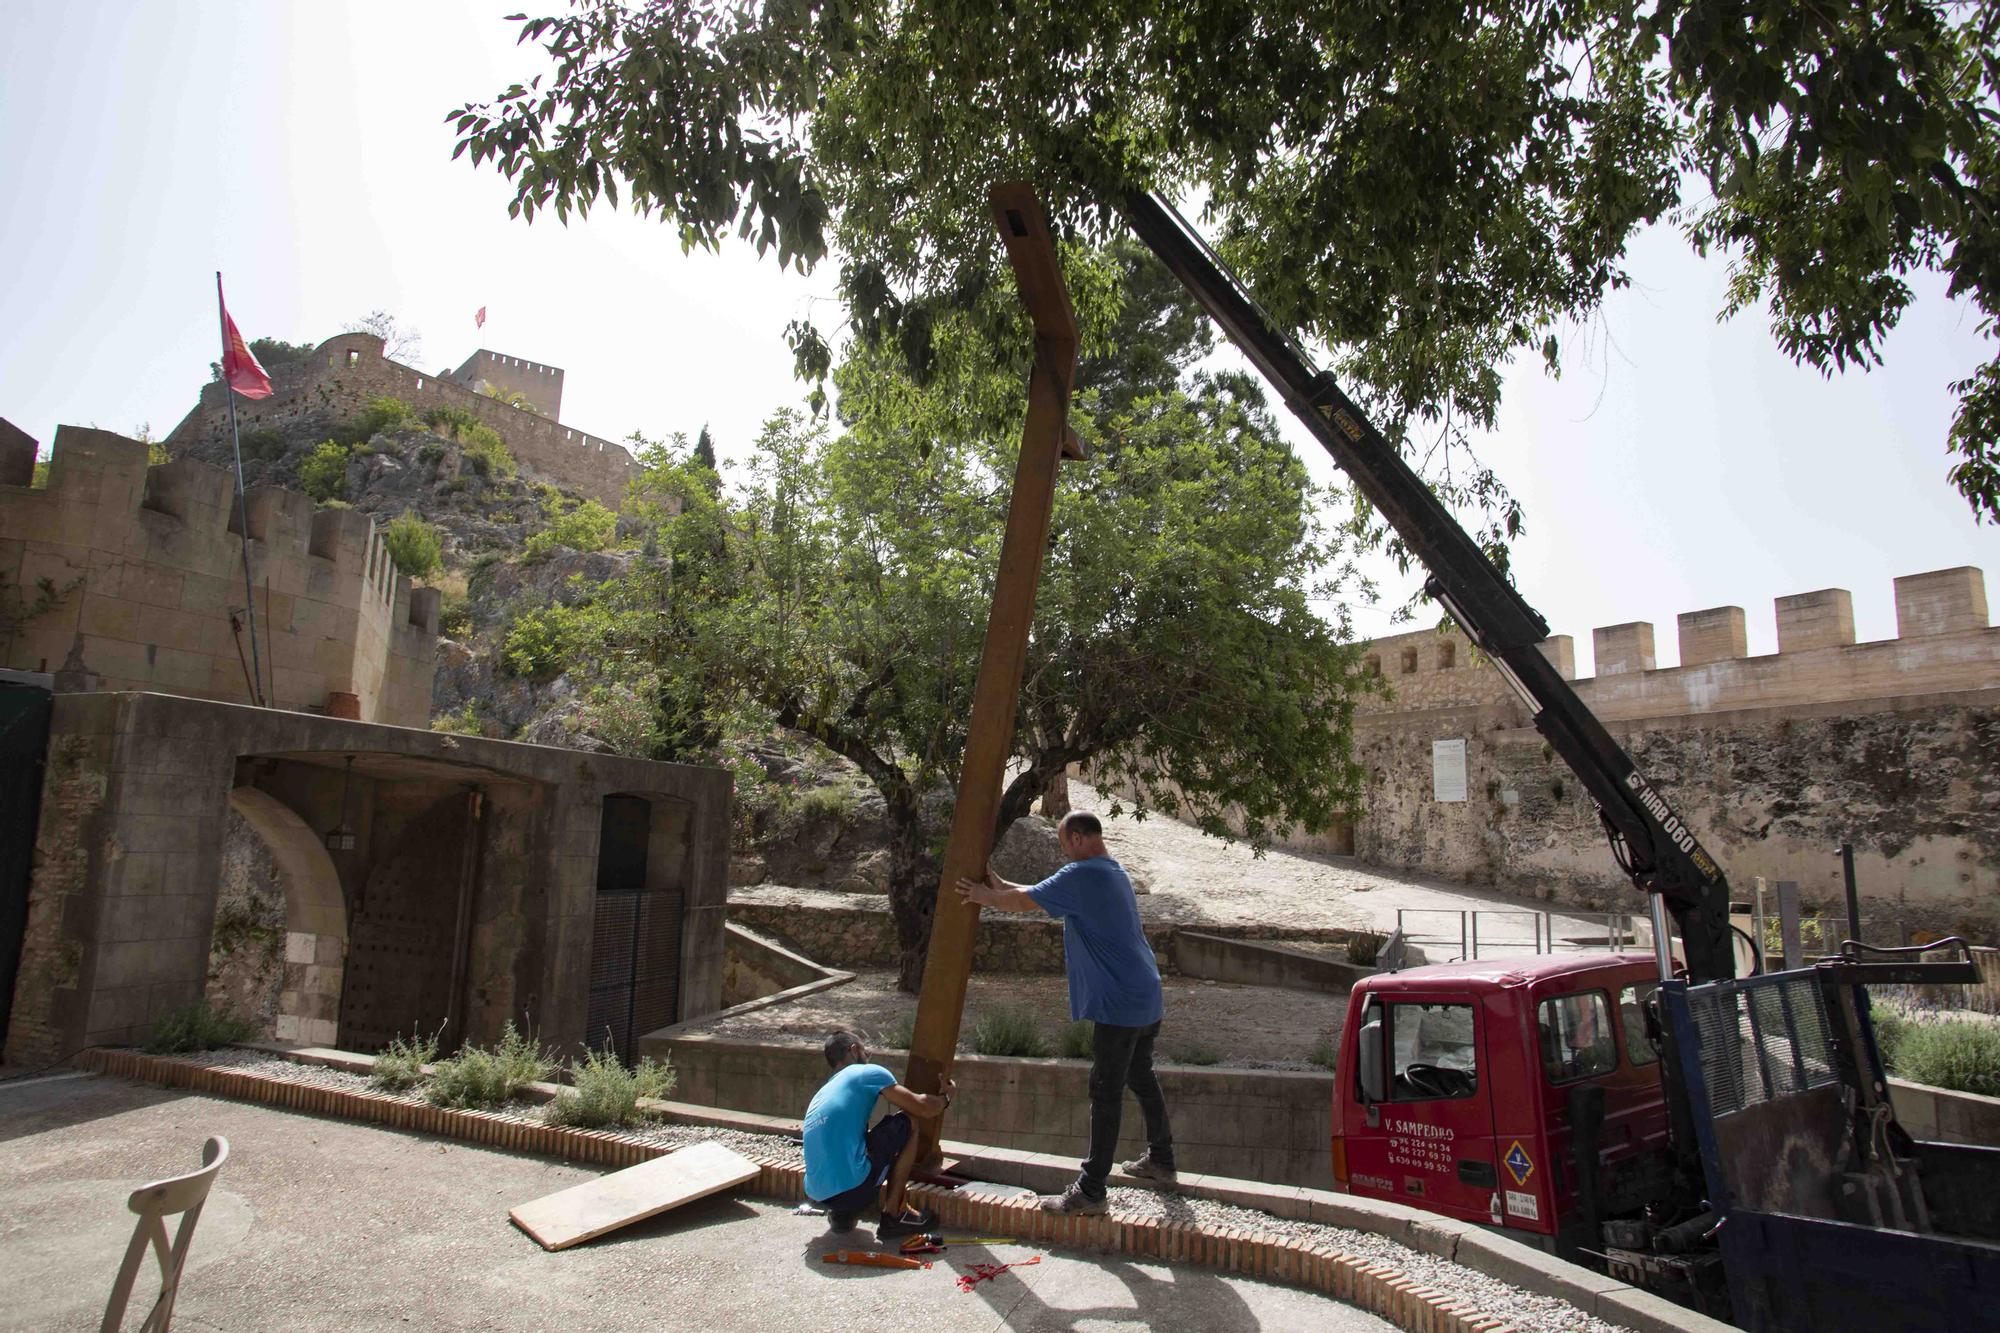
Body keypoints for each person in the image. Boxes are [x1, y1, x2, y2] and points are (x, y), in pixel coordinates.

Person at [957, 809, 1175, 1215]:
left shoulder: (1083, 875)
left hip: (1120, 1003)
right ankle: (1162, 1159)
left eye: (1062, 845)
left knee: (1105, 1091)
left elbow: (1026, 902)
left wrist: (982, 896)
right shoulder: (1111, 870)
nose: (1064, 854)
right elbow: (1038, 894)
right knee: (1140, 1076)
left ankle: (1091, 1190)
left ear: (1076, 838)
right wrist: (999, 884)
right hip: (1146, 994)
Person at [802, 1030, 956, 1241]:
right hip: (853, 1189)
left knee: (856, 1138)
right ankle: (894, 1215)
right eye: (866, 1051)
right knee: (908, 1121)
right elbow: (921, 1107)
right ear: (854, 1050)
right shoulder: (866, 1073)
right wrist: (946, 1097)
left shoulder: (824, 1093)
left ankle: (841, 1215)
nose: (868, 1057)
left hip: (818, 1195)